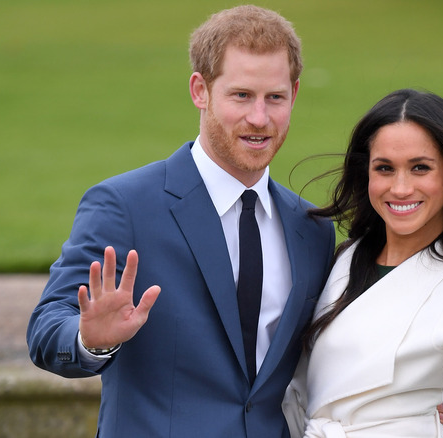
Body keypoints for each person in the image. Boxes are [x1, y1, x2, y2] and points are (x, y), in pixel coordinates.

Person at [26, 6, 337, 437]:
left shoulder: (313, 228)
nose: (260, 119)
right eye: (241, 95)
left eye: (275, 98)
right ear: (200, 90)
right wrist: (89, 339)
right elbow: (45, 330)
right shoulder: (123, 205)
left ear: (295, 94)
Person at [283, 89, 443, 437]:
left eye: (420, 168)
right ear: (367, 174)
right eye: (385, 168)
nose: (401, 188)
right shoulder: (345, 259)